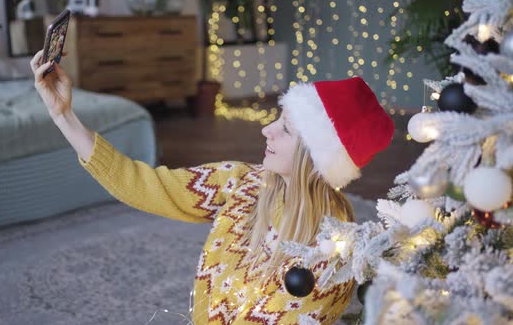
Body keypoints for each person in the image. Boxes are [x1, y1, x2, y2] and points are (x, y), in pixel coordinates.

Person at [30, 50, 394, 324]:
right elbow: (144, 184)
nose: (266, 130)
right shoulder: (243, 183)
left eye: (285, 129)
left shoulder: (331, 249)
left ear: (314, 158)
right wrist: (62, 114)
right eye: (276, 120)